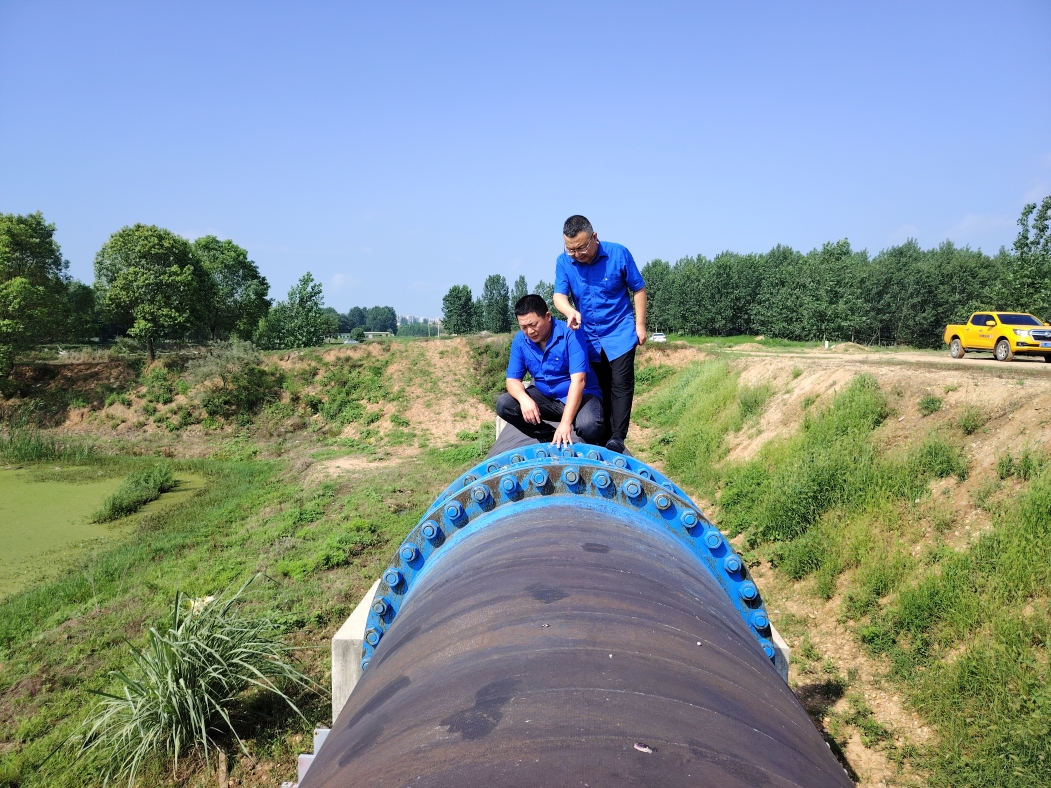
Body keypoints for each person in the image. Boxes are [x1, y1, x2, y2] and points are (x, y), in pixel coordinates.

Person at [553, 215, 646, 454]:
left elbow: (638, 288)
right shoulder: (564, 262)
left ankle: (617, 438)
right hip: (588, 337)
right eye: (571, 249)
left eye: (582, 247)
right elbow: (559, 296)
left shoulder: (618, 253)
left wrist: (640, 324)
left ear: (594, 237)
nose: (577, 254)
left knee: (620, 385)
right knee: (598, 386)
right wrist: (569, 311)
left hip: (619, 331)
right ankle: (600, 438)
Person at [496, 294, 605, 448]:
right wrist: (524, 399)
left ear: (547, 316)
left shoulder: (571, 333)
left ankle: (589, 447)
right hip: (546, 398)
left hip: (580, 396)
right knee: (505, 404)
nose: (529, 331)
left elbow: (579, 381)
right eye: (523, 327)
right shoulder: (520, 341)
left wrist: (565, 423)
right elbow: (512, 380)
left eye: (533, 324)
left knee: (589, 425)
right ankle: (548, 436)